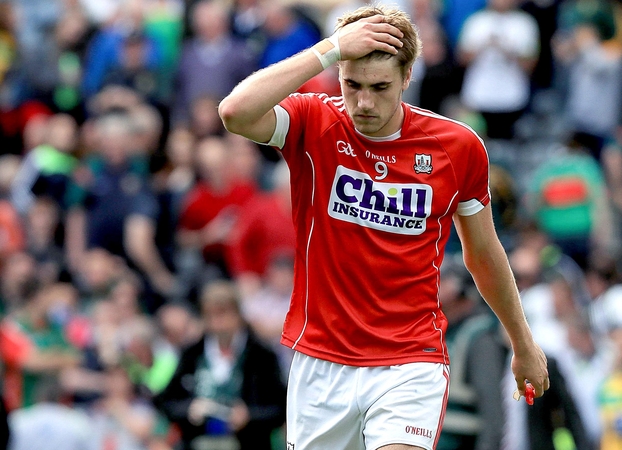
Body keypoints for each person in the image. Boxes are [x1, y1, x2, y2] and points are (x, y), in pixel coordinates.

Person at [218, 5, 550, 450]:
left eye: (380, 87)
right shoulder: (315, 122)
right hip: (321, 360)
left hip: (409, 361)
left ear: (408, 76)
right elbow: (235, 112)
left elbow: (484, 254)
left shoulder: (457, 147)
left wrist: (523, 343)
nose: (364, 103)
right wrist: (329, 49)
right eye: (352, 84)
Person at [155, 281, 286, 450]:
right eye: (210, 315)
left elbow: (280, 407)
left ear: (238, 315)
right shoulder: (193, 354)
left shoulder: (261, 355)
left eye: (223, 314)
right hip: (199, 442)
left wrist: (249, 416)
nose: (217, 322)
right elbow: (166, 401)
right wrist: (189, 409)